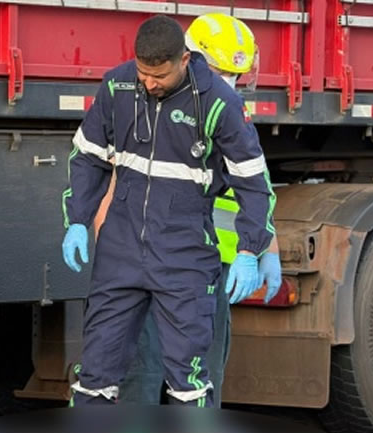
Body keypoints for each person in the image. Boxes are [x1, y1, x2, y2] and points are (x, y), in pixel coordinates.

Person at [61, 15, 276, 407]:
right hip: (120, 251)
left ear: (184, 60)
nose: (149, 82)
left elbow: (254, 185)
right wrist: (77, 219)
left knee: (188, 379)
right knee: (95, 372)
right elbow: (88, 157)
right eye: (143, 73)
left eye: (158, 75)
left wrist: (251, 250)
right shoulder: (117, 85)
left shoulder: (219, 104)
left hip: (184, 254)